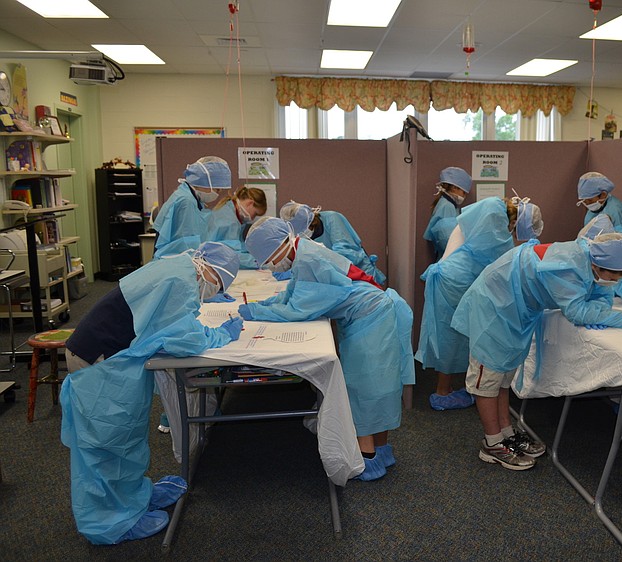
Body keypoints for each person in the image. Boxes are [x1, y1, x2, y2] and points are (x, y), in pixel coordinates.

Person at [60, 242, 244, 544]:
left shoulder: (179, 270)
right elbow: (183, 338)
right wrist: (221, 334)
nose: (215, 291)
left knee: (127, 437)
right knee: (108, 446)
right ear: (209, 270)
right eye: (219, 284)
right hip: (99, 363)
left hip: (111, 358)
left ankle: (134, 496)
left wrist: (209, 330)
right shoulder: (179, 281)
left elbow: (172, 324)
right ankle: (109, 523)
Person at [452, 232, 622, 470]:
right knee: (488, 376)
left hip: (517, 307)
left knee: (504, 374)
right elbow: (576, 311)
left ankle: (506, 433)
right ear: (596, 265)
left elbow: (601, 295)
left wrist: (600, 311)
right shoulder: (569, 266)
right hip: (495, 303)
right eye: (611, 277)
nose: (613, 283)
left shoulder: (592, 263)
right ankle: (492, 443)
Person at [239, 218, 414, 482]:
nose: (268, 265)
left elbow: (299, 309)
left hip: (370, 319)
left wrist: (257, 311)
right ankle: (381, 450)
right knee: (379, 388)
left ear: (278, 248)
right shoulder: (303, 250)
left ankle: (368, 458)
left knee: (364, 389)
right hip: (371, 313)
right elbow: (294, 292)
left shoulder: (309, 260)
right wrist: (266, 303)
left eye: (267, 259)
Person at [417, 196, 544, 411]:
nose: (513, 236)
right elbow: (504, 262)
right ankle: (443, 391)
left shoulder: (492, 209)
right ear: (516, 223)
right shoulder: (496, 221)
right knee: (451, 337)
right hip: (457, 281)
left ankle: (445, 389)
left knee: (450, 336)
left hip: (450, 274)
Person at [279, 201, 387, 286]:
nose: (302, 233)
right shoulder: (302, 235)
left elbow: (345, 255)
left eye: (304, 228)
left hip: (359, 274)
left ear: (311, 219)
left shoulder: (332, 219)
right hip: (337, 280)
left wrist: (316, 268)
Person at [153, 156, 231, 258]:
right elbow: (184, 244)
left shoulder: (190, 197)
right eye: (217, 189)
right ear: (204, 182)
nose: (218, 193)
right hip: (174, 258)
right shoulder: (186, 202)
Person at [204, 186, 268, 269]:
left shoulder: (231, 212)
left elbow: (236, 245)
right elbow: (229, 255)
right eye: (255, 214)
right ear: (250, 203)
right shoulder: (228, 221)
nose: (252, 218)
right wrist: (259, 262)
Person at [424, 167, 472, 261]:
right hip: (449, 258)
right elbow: (448, 239)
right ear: (454, 188)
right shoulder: (447, 206)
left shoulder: (445, 203)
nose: (464, 196)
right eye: (464, 192)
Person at [576, 172, 622, 241]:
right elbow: (586, 236)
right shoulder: (592, 211)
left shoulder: (616, 210)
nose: (588, 204)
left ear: (603, 194)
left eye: (590, 200)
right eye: (584, 201)